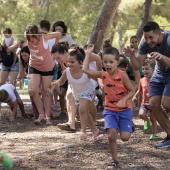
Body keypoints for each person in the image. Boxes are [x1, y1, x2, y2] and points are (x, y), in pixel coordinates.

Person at [83, 43, 135, 169]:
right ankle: (114, 160)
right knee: (111, 135)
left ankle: (127, 126)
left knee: (125, 138)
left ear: (117, 62)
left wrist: (124, 100)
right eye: (105, 62)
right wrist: (88, 53)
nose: (108, 65)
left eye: (111, 62)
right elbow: (85, 70)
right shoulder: (103, 75)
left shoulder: (123, 75)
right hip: (110, 110)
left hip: (124, 110)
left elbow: (132, 90)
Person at [124, 21, 170, 149]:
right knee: (153, 104)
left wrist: (162, 57)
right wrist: (132, 56)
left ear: (160, 33)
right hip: (160, 73)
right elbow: (137, 65)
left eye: (151, 37)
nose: (148, 41)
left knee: (167, 103)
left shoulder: (169, 39)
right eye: (146, 37)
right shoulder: (146, 43)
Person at [51, 47, 103, 141]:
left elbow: (97, 77)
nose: (69, 64)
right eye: (69, 62)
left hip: (88, 91)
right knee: (85, 112)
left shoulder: (85, 71)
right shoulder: (67, 72)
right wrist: (56, 83)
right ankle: (95, 131)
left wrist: (102, 84)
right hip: (77, 94)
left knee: (82, 109)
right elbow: (62, 81)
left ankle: (83, 132)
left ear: (80, 62)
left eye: (72, 62)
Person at [25, 24, 61, 125]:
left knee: (46, 91)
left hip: (47, 67)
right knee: (34, 91)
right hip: (34, 66)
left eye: (33, 37)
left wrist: (53, 48)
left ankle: (48, 116)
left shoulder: (44, 37)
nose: (31, 40)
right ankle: (41, 115)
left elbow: (58, 34)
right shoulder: (27, 37)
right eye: (29, 38)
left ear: (37, 34)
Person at [132, 59, 158, 139]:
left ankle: (154, 134)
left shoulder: (156, 79)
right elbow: (140, 90)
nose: (144, 71)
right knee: (141, 114)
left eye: (147, 69)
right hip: (144, 103)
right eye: (143, 69)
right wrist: (135, 96)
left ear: (153, 69)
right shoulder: (142, 80)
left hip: (153, 103)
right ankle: (147, 120)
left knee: (154, 119)